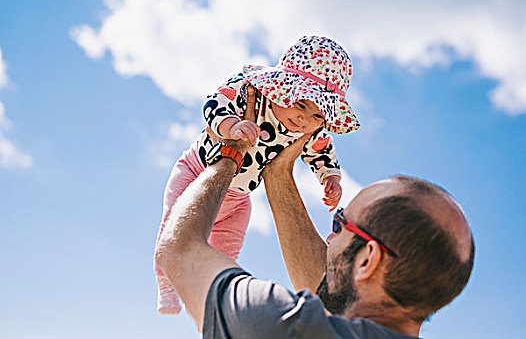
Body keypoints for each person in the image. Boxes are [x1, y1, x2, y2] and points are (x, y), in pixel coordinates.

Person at [154, 89, 475, 337]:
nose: (329, 234)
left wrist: (229, 155)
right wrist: (277, 171)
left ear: (368, 260)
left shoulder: (285, 326)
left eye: (341, 223)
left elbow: (177, 249)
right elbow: (332, 291)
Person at [154, 35, 361, 314]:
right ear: (283, 88)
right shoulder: (251, 92)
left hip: (239, 198)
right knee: (172, 229)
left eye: (316, 115)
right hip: (196, 171)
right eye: (300, 105)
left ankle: (209, 302)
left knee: (225, 254)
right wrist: (230, 126)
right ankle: (166, 284)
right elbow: (215, 103)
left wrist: (329, 177)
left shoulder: (307, 130)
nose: (304, 120)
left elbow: (322, 151)